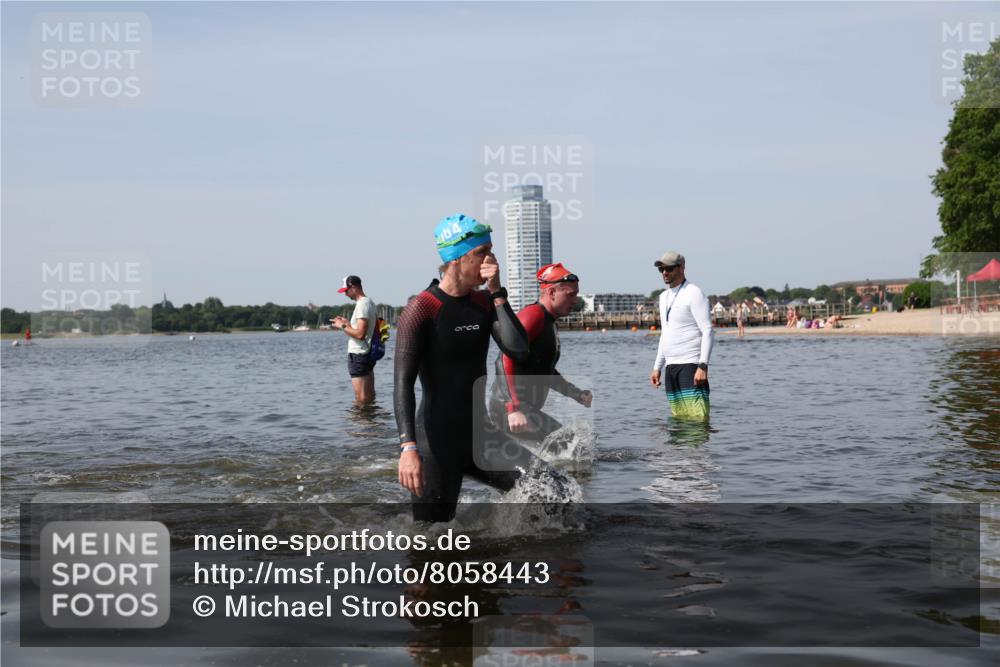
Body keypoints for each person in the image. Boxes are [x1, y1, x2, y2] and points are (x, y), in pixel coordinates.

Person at [394, 214, 566, 523]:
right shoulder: (422, 308)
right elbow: (402, 384)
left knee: (555, 490)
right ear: (456, 259)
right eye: (481, 252)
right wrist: (408, 449)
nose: (491, 260)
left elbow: (518, 350)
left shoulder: (485, 303)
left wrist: (497, 291)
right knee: (430, 539)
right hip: (436, 442)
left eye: (491, 250)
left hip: (481, 437)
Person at [489, 262, 593, 446]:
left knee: (571, 449)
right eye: (571, 294)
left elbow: (545, 371)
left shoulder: (549, 321)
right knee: (570, 446)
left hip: (524, 410)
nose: (575, 300)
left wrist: (576, 394)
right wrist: (513, 408)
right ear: (552, 293)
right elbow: (504, 360)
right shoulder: (533, 315)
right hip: (510, 411)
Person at [648, 251, 713, 420]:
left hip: (691, 366)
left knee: (697, 422)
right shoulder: (663, 297)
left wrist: (703, 366)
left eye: (669, 268)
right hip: (671, 368)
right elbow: (665, 334)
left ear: (681, 267)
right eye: (661, 269)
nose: (664, 272)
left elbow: (707, 330)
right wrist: (657, 367)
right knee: (678, 422)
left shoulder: (694, 293)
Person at [331, 275, 377, 404]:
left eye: (346, 291)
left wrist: (342, 326)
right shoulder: (369, 302)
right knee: (369, 395)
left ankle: (361, 416)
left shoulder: (362, 304)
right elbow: (361, 332)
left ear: (354, 287)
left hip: (358, 355)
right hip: (367, 353)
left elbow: (360, 334)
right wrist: (347, 324)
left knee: (360, 398)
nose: (345, 294)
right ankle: (371, 415)